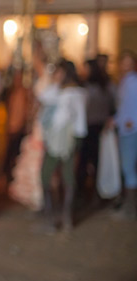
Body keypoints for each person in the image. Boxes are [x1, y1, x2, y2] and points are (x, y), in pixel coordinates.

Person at [37, 59, 87, 232]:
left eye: (60, 72)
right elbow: (43, 97)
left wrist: (76, 141)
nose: (57, 75)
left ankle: (66, 217)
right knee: (46, 175)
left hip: (67, 138)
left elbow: (80, 121)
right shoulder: (56, 90)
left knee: (67, 175)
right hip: (52, 138)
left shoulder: (76, 93)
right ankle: (50, 216)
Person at [77, 59, 116, 194]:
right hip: (91, 127)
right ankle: (88, 192)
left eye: (85, 68)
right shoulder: (102, 86)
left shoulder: (98, 87)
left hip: (96, 127)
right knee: (89, 160)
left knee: (94, 159)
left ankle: (94, 192)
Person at [113, 51, 137, 220]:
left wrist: (132, 122)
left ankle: (130, 209)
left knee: (128, 168)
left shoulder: (133, 82)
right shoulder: (124, 82)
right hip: (125, 129)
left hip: (130, 131)